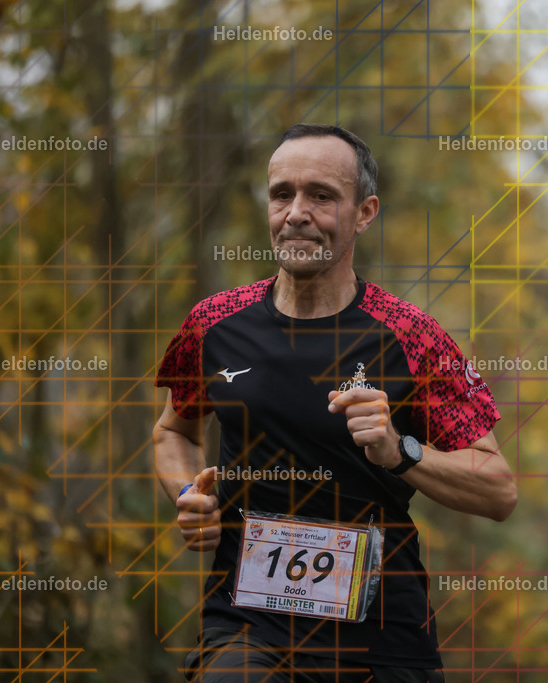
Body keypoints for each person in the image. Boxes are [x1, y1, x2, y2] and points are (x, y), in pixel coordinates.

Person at [152, 123, 517, 682]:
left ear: (365, 212)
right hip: (248, 625)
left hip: (382, 636)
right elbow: (173, 432)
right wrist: (187, 494)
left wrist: (400, 450)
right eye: (282, 194)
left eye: (321, 195)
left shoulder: (412, 337)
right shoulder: (214, 324)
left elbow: (498, 489)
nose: (296, 212)